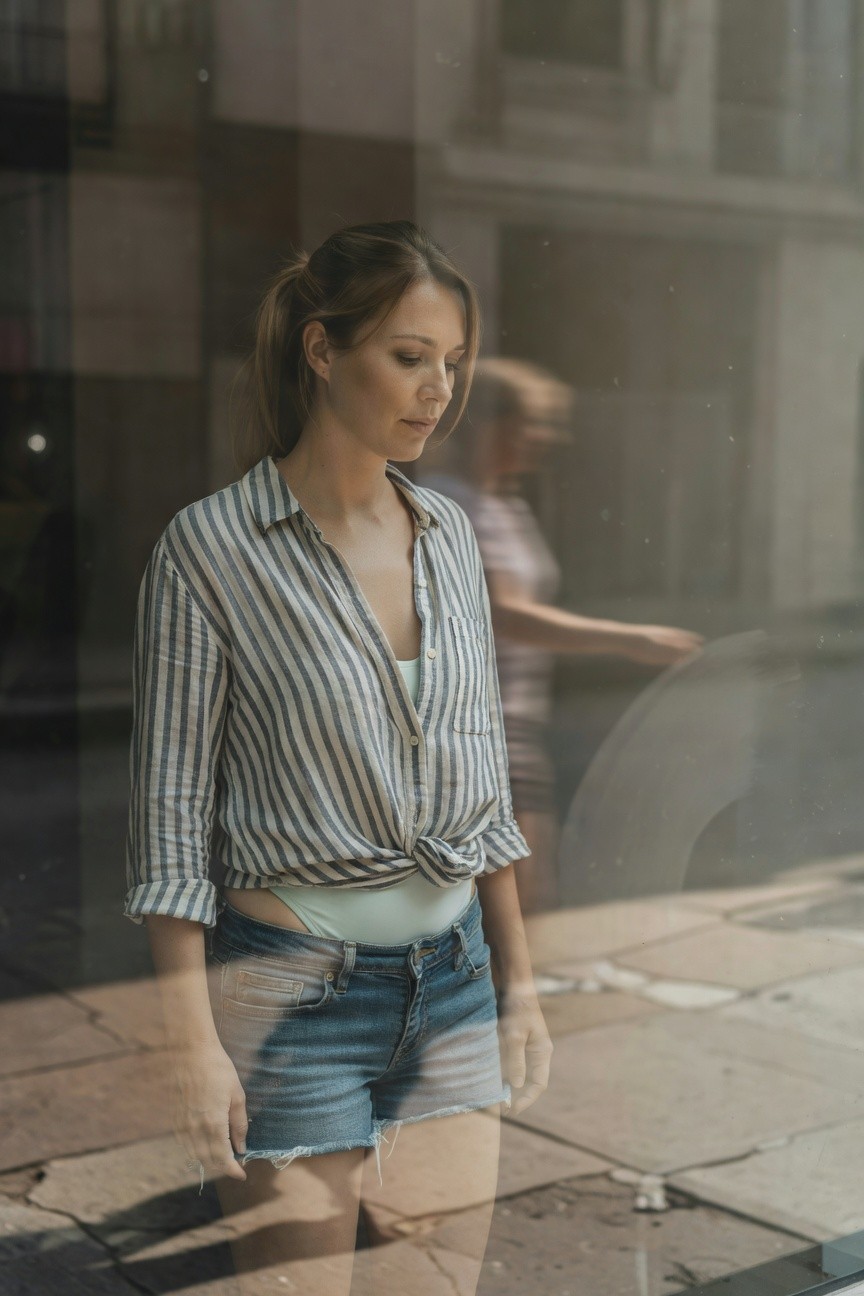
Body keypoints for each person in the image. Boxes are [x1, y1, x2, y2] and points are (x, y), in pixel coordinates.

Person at [124, 220, 552, 1294]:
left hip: (454, 985)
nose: (438, 390)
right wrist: (190, 1044)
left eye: (450, 364)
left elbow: (482, 772)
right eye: (410, 357)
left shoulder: (448, 535)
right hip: (288, 1004)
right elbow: (170, 813)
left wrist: (520, 983)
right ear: (323, 350)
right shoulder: (210, 549)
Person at [418, 357, 703, 914]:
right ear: (492, 425)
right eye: (537, 422)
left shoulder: (507, 507)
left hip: (512, 725)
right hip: (466, 732)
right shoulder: (450, 503)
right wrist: (630, 640)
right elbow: (506, 614)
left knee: (521, 897)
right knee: (509, 902)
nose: (550, 437)